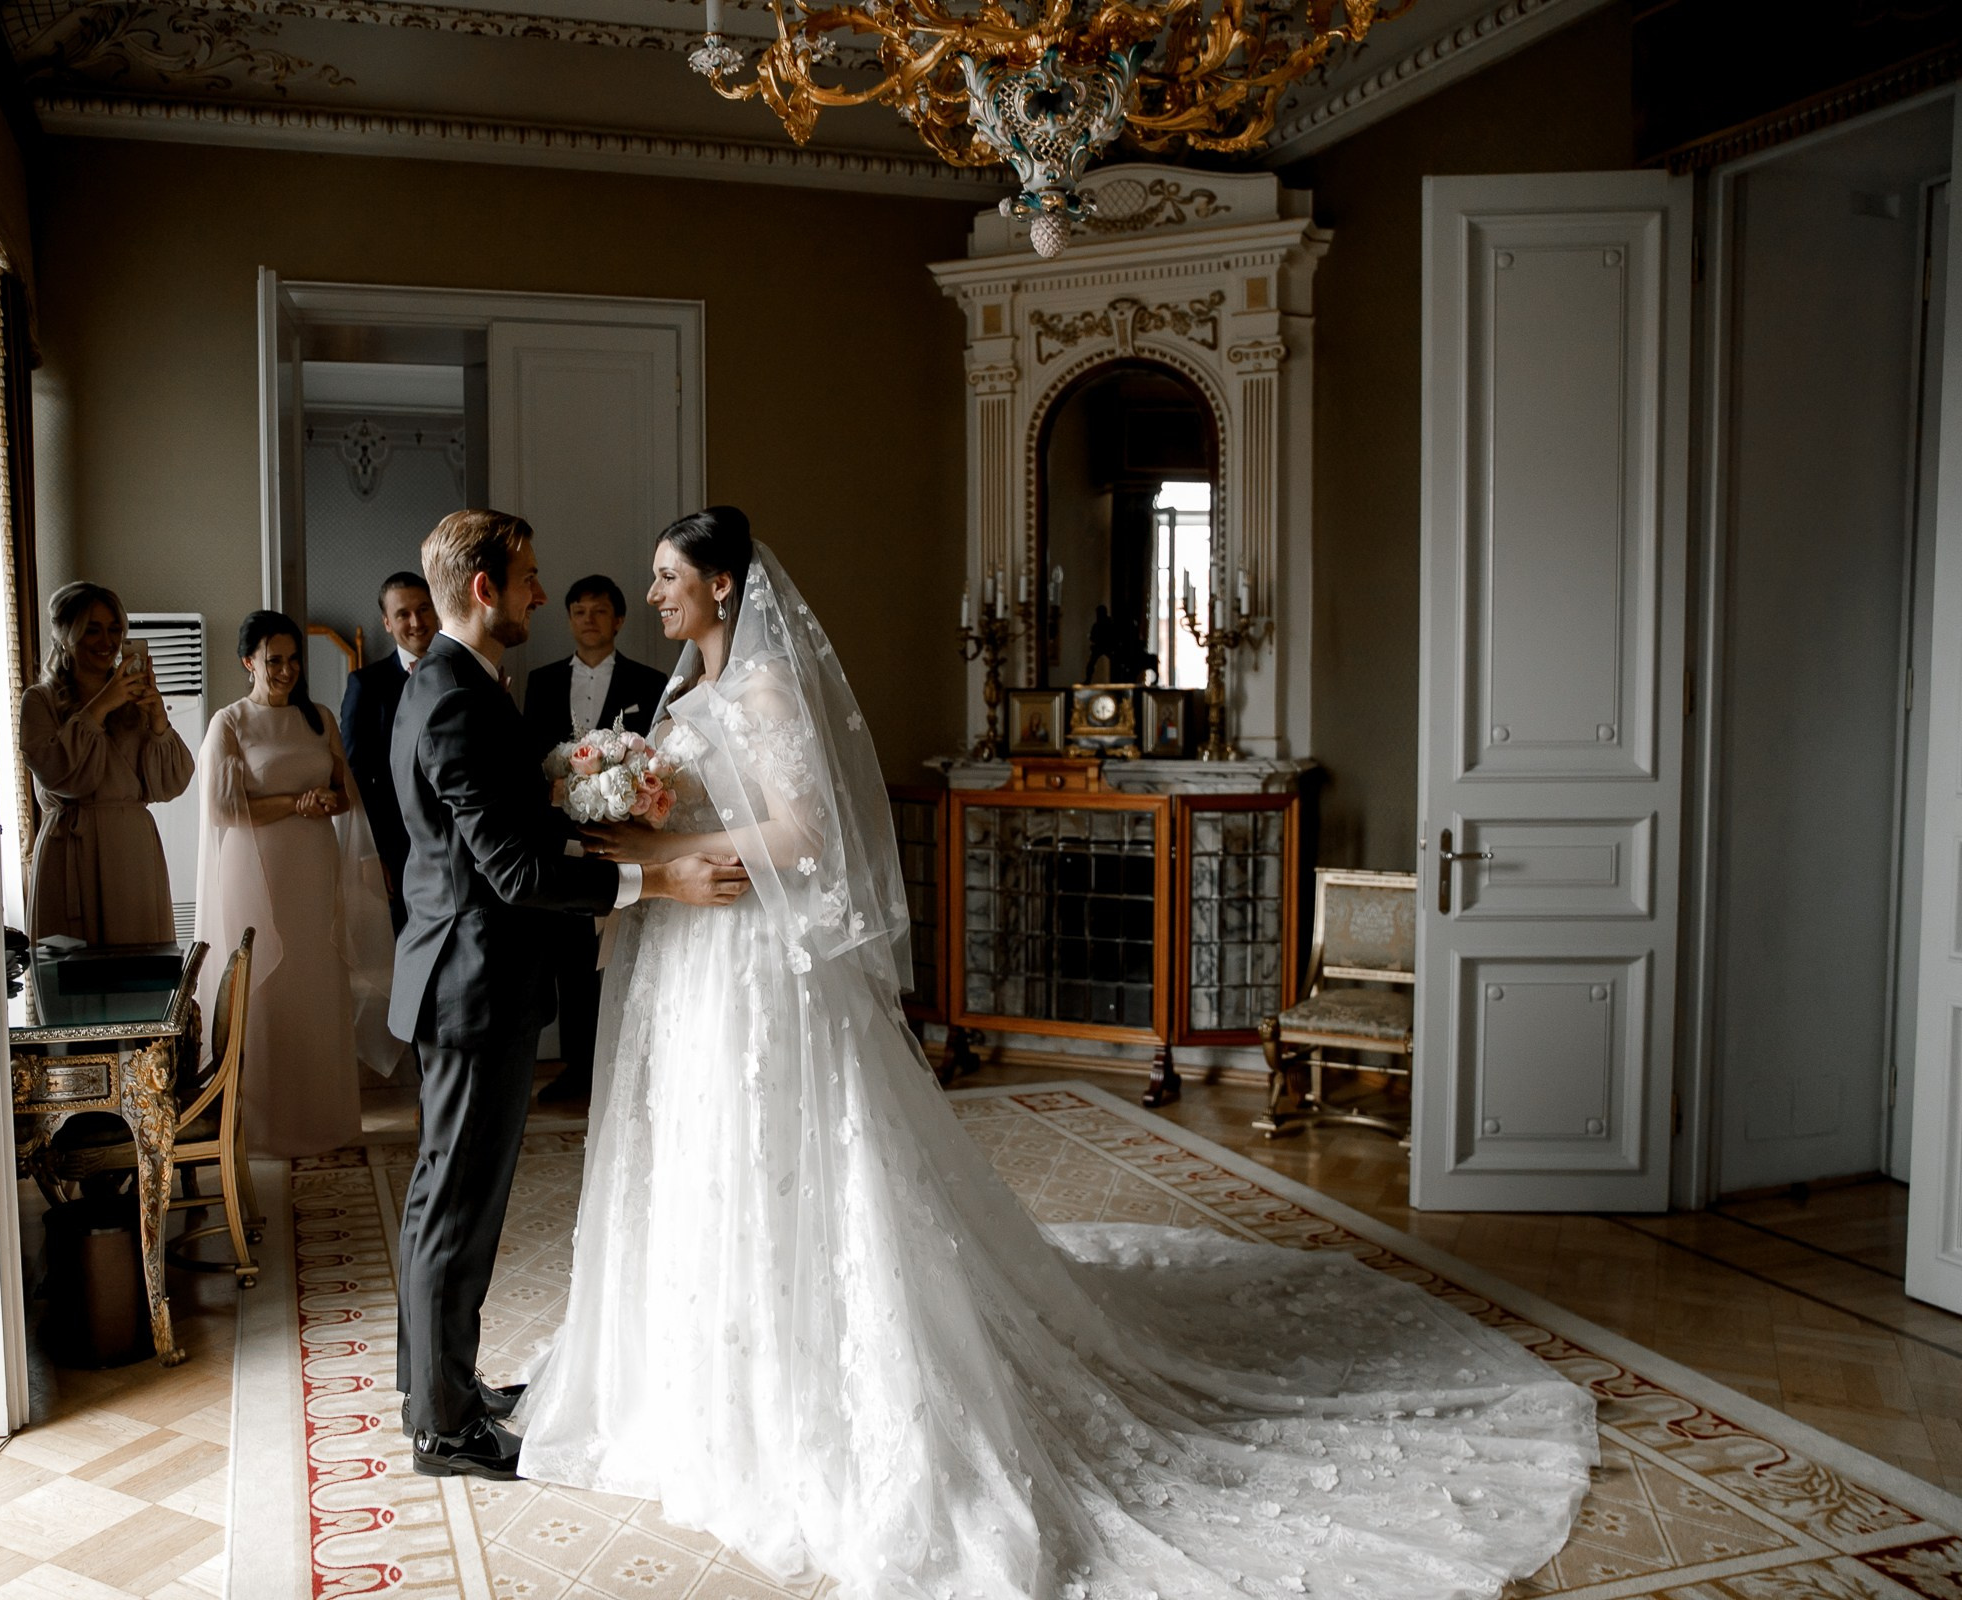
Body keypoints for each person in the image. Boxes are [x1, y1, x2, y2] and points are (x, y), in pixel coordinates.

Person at [512, 507, 1597, 1600]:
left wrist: (671, 847)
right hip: (693, 962)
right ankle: (702, 1383)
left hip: (755, 958)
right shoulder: (683, 691)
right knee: (701, 1157)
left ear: (727, 585)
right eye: (652, 580)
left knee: (782, 1160)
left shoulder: (766, 690)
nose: (654, 596)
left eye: (667, 578)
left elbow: (804, 836)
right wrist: (633, 825)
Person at [386, 508, 749, 1482]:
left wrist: (578, 809)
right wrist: (657, 879)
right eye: (531, 578)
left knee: (440, 1199)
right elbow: (508, 869)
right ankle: (445, 1428)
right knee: (457, 1208)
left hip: (457, 976)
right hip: (473, 987)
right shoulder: (457, 695)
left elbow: (503, 827)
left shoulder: (455, 683)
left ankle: (435, 1387)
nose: (542, 595)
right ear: (483, 590)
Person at [193, 609, 402, 1159]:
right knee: (263, 985)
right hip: (253, 867)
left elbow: (343, 793)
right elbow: (220, 808)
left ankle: (323, 1119)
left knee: (314, 980)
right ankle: (260, 1129)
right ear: (249, 663)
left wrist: (325, 801)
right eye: (273, 660)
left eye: (292, 660)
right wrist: (296, 803)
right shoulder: (229, 722)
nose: (286, 670)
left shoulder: (320, 719)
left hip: (312, 866)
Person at [521, 575, 671, 1106]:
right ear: (568, 620)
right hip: (558, 838)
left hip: (623, 835)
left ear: (619, 619)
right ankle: (577, 1068)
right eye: (579, 611)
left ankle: (621, 1069)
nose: (589, 619)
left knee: (620, 955)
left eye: (600, 610)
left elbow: (657, 758)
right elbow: (528, 759)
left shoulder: (649, 682)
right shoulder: (539, 682)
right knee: (570, 960)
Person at [18, 582, 192, 945]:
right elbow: (57, 773)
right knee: (73, 979)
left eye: (115, 630)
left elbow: (171, 784)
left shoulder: (135, 699)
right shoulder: (40, 700)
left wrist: (158, 717)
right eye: (92, 629)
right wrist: (99, 706)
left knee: (138, 973)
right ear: (66, 635)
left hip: (132, 851)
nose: (106, 641)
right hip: (71, 849)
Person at [340, 571, 441, 932]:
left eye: (423, 609)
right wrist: (370, 851)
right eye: (402, 614)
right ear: (387, 622)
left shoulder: (464, 672)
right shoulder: (366, 685)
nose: (416, 622)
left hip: (464, 840)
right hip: (398, 847)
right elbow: (354, 773)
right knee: (409, 944)